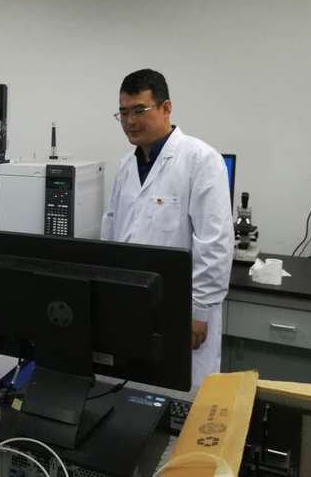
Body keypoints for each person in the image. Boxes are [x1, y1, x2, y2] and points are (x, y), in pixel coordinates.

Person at [101, 69, 233, 389]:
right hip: (131, 303)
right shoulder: (126, 166)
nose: (130, 121)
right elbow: (111, 231)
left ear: (166, 108)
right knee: (132, 393)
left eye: (139, 110)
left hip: (181, 310)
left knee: (181, 399)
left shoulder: (201, 160)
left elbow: (215, 243)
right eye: (123, 113)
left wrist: (200, 312)